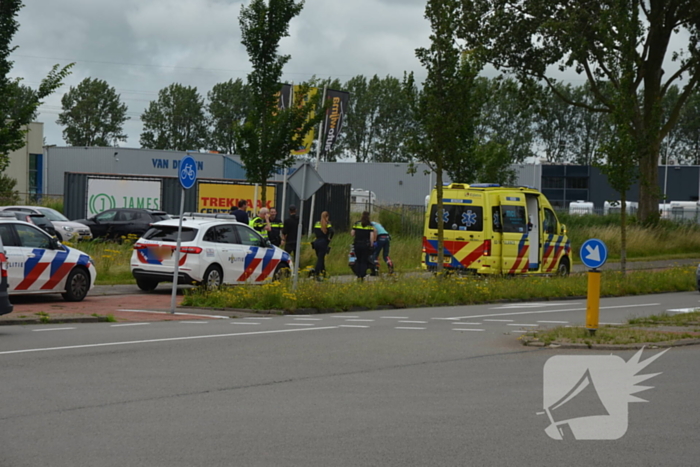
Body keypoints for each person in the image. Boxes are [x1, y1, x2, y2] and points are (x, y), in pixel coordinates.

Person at [351, 211, 376, 280]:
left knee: (358, 260)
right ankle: (362, 275)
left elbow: (352, 234)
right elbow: (371, 236)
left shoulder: (357, 223)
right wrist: (371, 245)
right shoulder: (370, 225)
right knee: (364, 261)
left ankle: (358, 275)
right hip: (365, 245)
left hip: (357, 244)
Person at [312, 211, 334, 280]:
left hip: (316, 242)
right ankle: (316, 274)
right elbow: (332, 231)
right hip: (323, 242)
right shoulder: (328, 223)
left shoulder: (317, 223)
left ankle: (323, 272)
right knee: (320, 259)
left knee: (320, 258)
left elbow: (315, 231)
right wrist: (330, 238)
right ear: (327, 217)